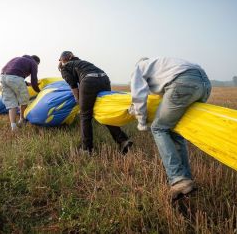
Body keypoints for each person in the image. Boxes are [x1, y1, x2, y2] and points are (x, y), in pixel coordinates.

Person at [129, 57, 211, 199]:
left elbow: (139, 95)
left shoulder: (139, 67)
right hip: (205, 84)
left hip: (184, 83)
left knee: (159, 128)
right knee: (173, 130)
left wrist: (141, 121)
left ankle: (178, 178)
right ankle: (186, 179)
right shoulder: (162, 65)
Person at [58, 51, 133, 154]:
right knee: (105, 112)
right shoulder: (81, 62)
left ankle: (86, 149)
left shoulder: (64, 67)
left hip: (89, 81)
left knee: (85, 116)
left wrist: (78, 99)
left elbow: (73, 86)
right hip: (104, 79)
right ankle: (123, 140)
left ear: (63, 60)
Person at [1, 55, 41, 131]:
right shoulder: (33, 63)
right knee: (24, 100)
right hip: (15, 78)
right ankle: (22, 120)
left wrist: (26, 83)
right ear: (37, 62)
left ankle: (13, 126)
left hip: (3, 77)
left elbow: (12, 74)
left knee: (11, 103)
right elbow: (34, 79)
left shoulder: (17, 59)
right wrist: (39, 91)